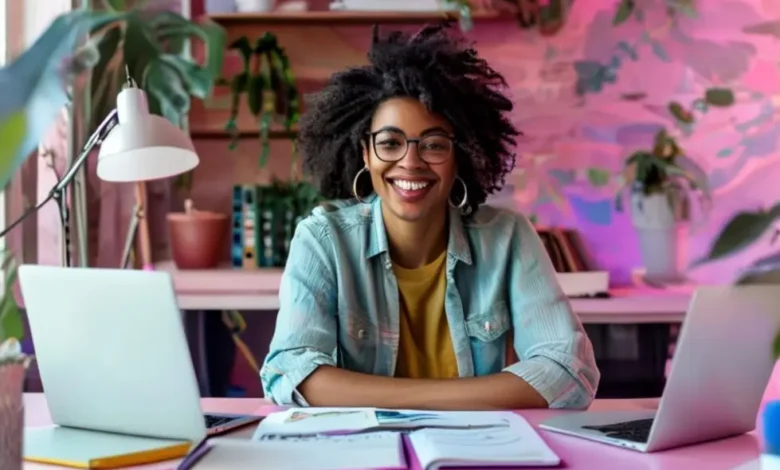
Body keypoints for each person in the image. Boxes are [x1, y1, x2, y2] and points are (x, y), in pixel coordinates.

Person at [260, 22, 600, 410]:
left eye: (434, 145)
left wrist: (391, 397)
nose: (410, 162)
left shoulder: (507, 237)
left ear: (461, 156)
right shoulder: (323, 239)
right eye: (389, 143)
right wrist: (453, 398)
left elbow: (568, 371)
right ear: (366, 154)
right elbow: (292, 371)